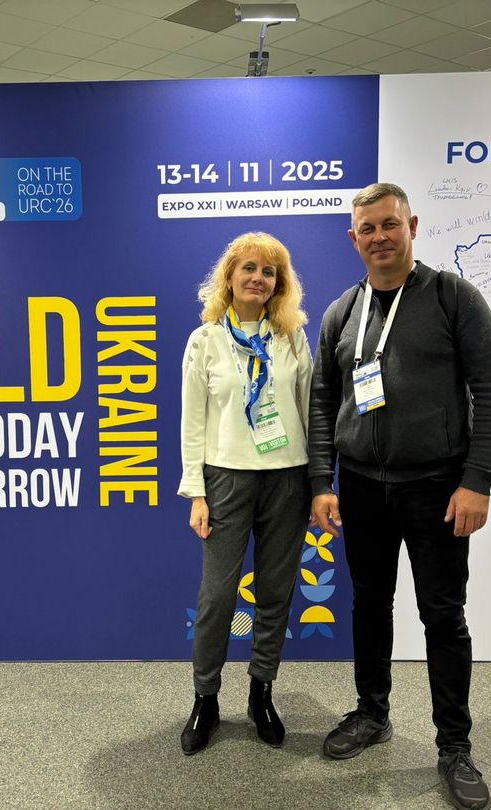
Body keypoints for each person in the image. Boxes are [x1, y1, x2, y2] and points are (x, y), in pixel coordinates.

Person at [308, 183, 491, 810]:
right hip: (361, 487)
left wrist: (478, 480)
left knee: (442, 616)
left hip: (437, 488)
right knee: (370, 605)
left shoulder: (453, 298)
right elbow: (323, 401)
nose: (379, 237)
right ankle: (372, 713)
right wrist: (321, 482)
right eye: (367, 229)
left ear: (412, 226)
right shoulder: (342, 312)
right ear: (354, 239)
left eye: (389, 224)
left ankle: (454, 747)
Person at [178, 232, 313, 755]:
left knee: (276, 591)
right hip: (226, 480)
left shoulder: (292, 339)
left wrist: (318, 484)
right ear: (229, 277)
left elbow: (309, 411)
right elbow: (193, 421)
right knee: (217, 596)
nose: (259, 278)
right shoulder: (206, 340)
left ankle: (262, 692)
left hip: (287, 479)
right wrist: (197, 492)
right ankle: (205, 698)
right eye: (249, 268)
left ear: (280, 283)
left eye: (269, 271)